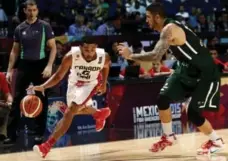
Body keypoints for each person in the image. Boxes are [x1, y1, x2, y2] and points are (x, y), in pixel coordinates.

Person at [117, 3, 224, 155]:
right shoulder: (167, 30)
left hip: (204, 73)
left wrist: (131, 55)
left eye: (148, 17)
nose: (146, 20)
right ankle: (169, 136)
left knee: (193, 114)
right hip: (185, 69)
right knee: (163, 99)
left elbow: (155, 56)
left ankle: (216, 141)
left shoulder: (170, 29)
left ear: (157, 17)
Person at [30, 41, 111, 158]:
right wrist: (44, 86)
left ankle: (47, 146)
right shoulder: (71, 56)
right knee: (74, 111)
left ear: (96, 47)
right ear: (81, 48)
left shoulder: (104, 56)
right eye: (86, 50)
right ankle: (99, 114)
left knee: (70, 111)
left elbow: (106, 66)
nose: (89, 53)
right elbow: (58, 76)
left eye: (92, 50)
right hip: (74, 83)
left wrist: (103, 83)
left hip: (91, 84)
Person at [5, 0, 56, 144]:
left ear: (37, 10)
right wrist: (9, 70)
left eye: (34, 10)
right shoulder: (19, 28)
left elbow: (53, 48)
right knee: (17, 99)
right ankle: (11, 135)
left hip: (41, 65)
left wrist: (49, 66)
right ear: (25, 11)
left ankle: (40, 133)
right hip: (24, 65)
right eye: (29, 10)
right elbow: (14, 51)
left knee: (42, 97)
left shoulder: (45, 26)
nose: (32, 12)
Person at [0, 72, 13, 141]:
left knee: (7, 108)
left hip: (1, 104)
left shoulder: (1, 76)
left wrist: (10, 101)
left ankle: (2, 134)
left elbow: (7, 94)